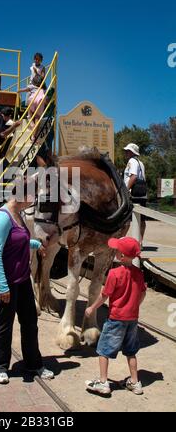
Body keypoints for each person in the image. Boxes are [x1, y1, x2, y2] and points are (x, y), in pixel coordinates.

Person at [0, 182, 55, 384]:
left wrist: (37, 245)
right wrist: (3, 286)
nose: (34, 200)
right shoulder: (2, 218)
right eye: (32, 196)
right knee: (4, 323)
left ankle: (34, 364)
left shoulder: (20, 215)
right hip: (3, 281)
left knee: (30, 322)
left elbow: (19, 241)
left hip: (22, 278)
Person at [85, 237, 147, 396]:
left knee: (103, 350)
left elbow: (104, 295)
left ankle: (103, 382)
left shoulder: (114, 273)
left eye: (117, 250)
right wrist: (135, 306)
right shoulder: (139, 273)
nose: (115, 251)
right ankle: (135, 382)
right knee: (131, 351)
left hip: (116, 319)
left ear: (121, 256)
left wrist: (92, 307)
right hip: (132, 319)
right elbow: (143, 292)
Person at [123, 143, 147, 244]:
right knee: (141, 219)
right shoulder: (140, 162)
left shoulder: (132, 161)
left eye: (127, 151)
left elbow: (133, 176)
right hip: (141, 193)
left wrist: (126, 190)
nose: (125, 153)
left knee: (125, 219)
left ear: (132, 152)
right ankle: (140, 242)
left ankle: (121, 240)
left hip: (133, 193)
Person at [18, 75, 45, 140]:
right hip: (40, 101)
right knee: (37, 118)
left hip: (32, 100)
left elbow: (25, 89)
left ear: (33, 81)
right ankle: (33, 136)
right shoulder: (43, 88)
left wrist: (19, 91)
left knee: (29, 114)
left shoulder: (32, 86)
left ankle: (31, 122)